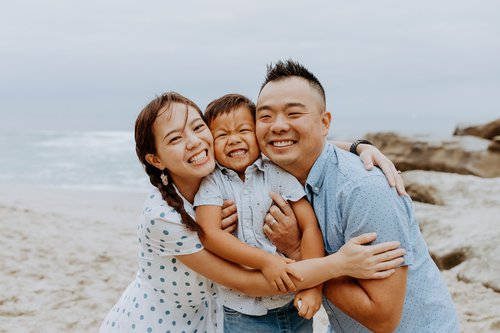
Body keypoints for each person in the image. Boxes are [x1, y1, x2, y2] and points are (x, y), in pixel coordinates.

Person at [99, 92, 407, 333]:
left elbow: (287, 145)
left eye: (197, 128)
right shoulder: (163, 216)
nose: (194, 142)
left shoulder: (218, 170)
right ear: (155, 159)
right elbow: (247, 282)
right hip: (161, 323)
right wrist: (339, 264)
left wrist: (358, 147)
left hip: (211, 316)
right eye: (176, 139)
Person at [255, 59, 460, 332]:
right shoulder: (279, 174)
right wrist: (358, 145)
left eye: (293, 114)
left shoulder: (364, 190)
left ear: (324, 122)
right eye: (265, 116)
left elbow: (383, 318)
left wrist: (298, 250)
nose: (278, 126)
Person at [194, 94, 324, 332]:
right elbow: (210, 234)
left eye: (243, 130)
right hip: (243, 311)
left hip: (293, 303)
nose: (233, 140)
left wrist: (313, 287)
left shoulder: (277, 174)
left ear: (258, 134)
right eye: (222, 135)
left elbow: (310, 226)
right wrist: (266, 261)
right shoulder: (212, 183)